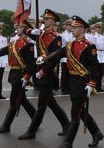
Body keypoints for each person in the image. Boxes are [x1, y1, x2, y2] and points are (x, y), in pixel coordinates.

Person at [37, 15, 104, 148]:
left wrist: (92, 84)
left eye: (75, 28)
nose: (72, 29)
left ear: (82, 29)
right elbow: (57, 53)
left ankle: (68, 143)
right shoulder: (70, 45)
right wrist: (44, 59)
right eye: (72, 27)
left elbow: (95, 67)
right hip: (72, 82)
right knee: (80, 111)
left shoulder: (89, 46)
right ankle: (97, 133)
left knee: (75, 113)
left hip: (82, 83)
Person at [18, 9, 70, 140]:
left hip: (48, 74)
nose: (44, 21)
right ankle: (66, 124)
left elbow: (54, 58)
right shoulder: (39, 34)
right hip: (39, 71)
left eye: (47, 19)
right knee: (51, 102)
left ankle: (32, 130)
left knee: (41, 105)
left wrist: (43, 71)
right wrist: (31, 31)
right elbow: (24, 31)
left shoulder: (56, 37)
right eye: (44, 19)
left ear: (53, 21)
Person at [0, 20, 37, 133]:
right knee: (22, 100)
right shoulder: (14, 42)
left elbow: (32, 63)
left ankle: (6, 125)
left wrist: (27, 76)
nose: (17, 28)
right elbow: (4, 51)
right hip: (14, 74)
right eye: (17, 26)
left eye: (20, 27)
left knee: (14, 101)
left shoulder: (29, 44)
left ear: (26, 29)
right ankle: (36, 119)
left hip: (21, 75)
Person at [60, 19, 74, 94]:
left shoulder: (73, 34)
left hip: (71, 57)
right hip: (65, 56)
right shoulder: (62, 35)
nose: (71, 27)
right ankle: (64, 88)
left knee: (70, 73)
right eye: (69, 25)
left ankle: (69, 87)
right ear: (66, 26)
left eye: (72, 25)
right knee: (65, 73)